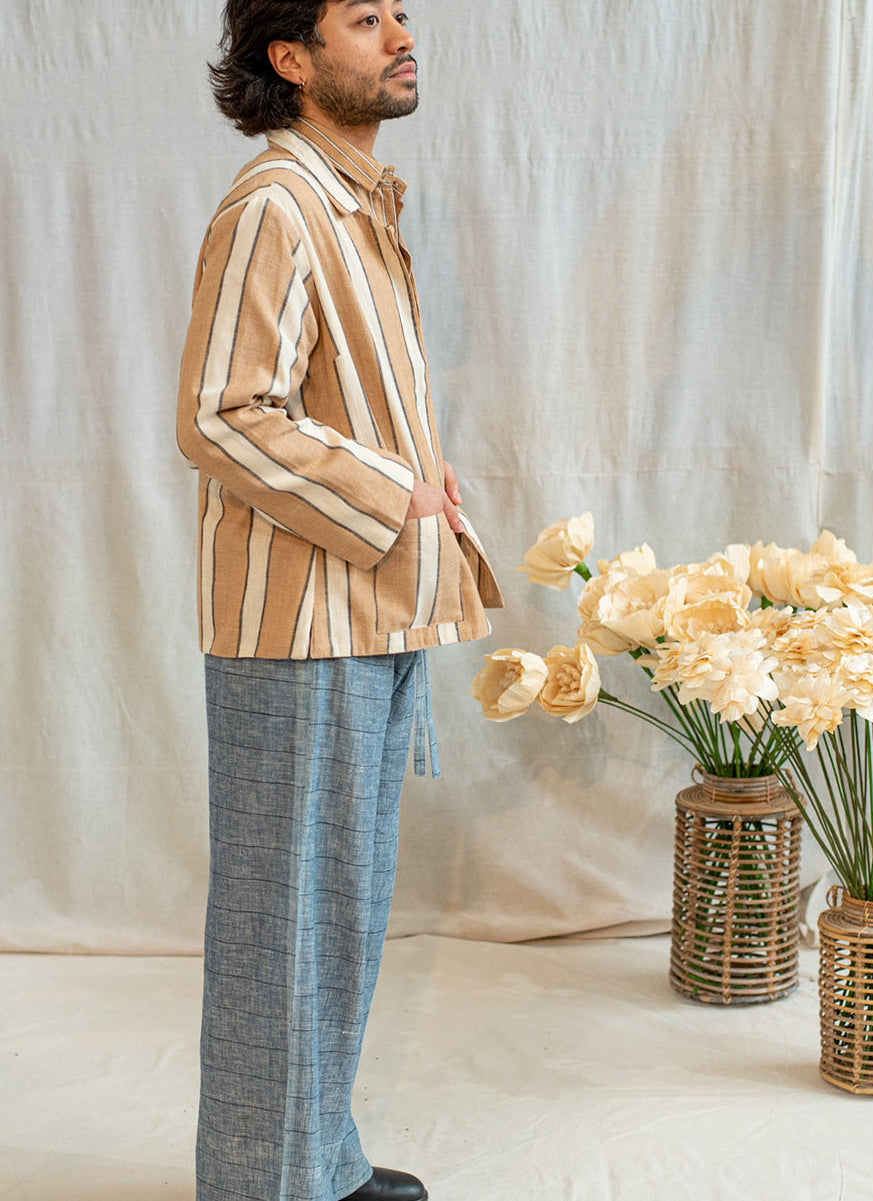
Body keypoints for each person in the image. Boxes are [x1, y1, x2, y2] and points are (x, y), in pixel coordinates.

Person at [176, 3, 502, 1198]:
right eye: (364, 18)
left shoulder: (354, 202)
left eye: (399, 13)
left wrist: (421, 480)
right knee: (288, 923)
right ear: (292, 58)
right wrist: (385, 492)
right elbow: (221, 415)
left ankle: (313, 1164)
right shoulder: (276, 204)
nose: (400, 33)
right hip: (299, 625)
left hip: (362, 605)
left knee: (333, 917)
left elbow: (323, 401)